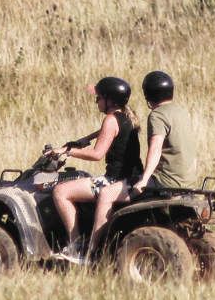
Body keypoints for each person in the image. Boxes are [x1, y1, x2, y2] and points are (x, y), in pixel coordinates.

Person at [47, 76, 143, 263]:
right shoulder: (125, 116)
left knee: (60, 191)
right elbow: (103, 134)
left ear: (109, 100)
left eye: (98, 98)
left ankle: (77, 245)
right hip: (131, 178)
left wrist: (68, 151)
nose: (95, 101)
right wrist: (82, 140)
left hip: (114, 180)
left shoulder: (110, 120)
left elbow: (98, 154)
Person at [133, 70, 197, 195]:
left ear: (148, 94)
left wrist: (144, 180)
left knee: (107, 194)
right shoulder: (181, 111)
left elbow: (156, 148)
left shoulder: (157, 115)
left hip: (165, 181)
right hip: (187, 182)